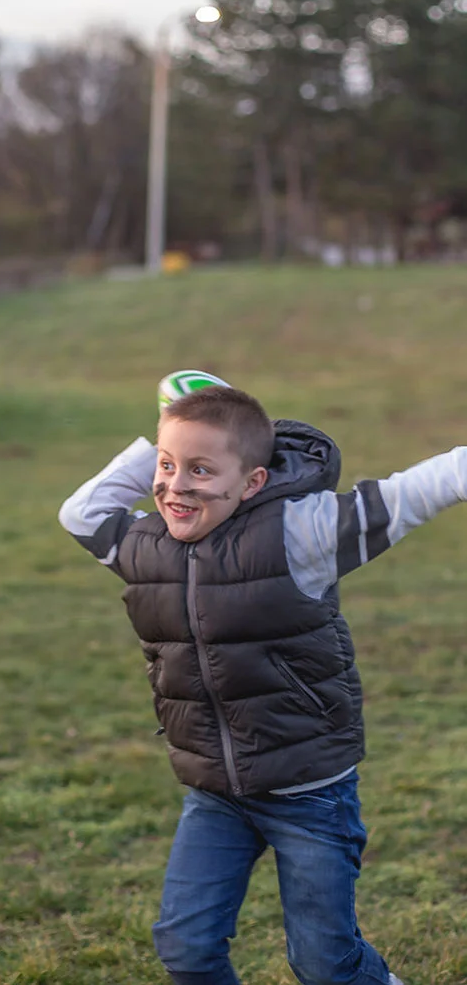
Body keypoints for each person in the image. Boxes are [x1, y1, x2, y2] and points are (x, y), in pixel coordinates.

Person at [57, 376, 467, 985]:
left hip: (309, 791)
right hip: (215, 791)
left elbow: (414, 492)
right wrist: (172, 429)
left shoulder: (300, 533)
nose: (174, 485)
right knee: (186, 948)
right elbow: (80, 512)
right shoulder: (146, 545)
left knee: (325, 965)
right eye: (167, 467)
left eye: (201, 470)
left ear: (253, 481)